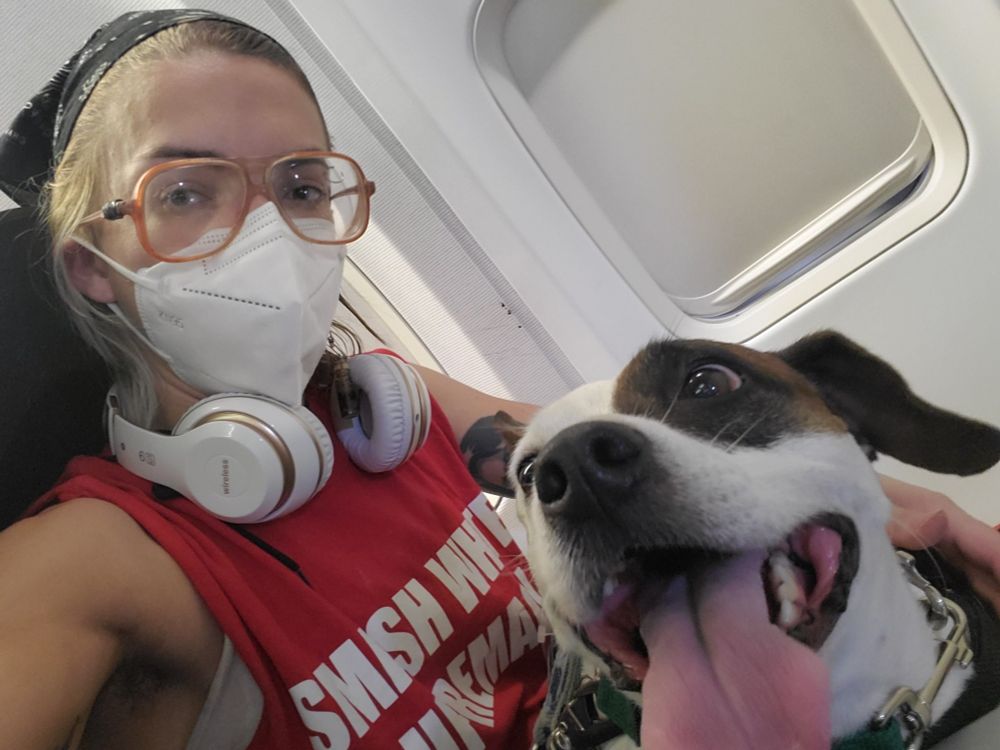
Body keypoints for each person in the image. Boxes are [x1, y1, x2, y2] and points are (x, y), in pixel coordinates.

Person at [0, 9, 997, 750]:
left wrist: (930, 519)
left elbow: (644, 455)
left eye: (301, 187)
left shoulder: (383, 402)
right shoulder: (89, 561)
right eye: (185, 191)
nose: (269, 234)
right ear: (95, 263)